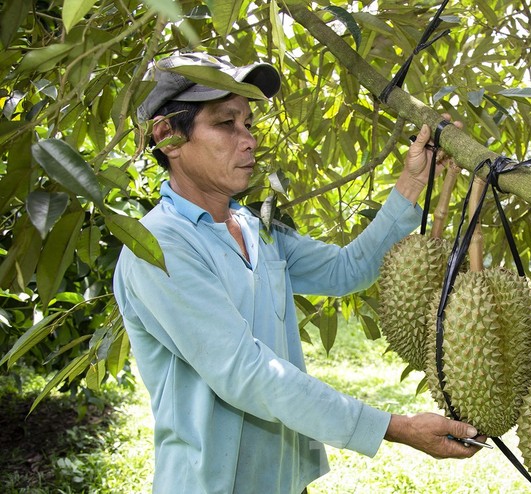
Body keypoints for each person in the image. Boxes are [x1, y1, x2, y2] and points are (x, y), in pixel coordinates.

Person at [112, 52, 481, 494]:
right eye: (226, 124)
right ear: (168, 136)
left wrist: (412, 181)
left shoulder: (256, 229)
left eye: (248, 124)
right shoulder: (158, 247)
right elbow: (246, 372)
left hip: (287, 482)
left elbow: (349, 270)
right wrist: (395, 427)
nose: (247, 140)